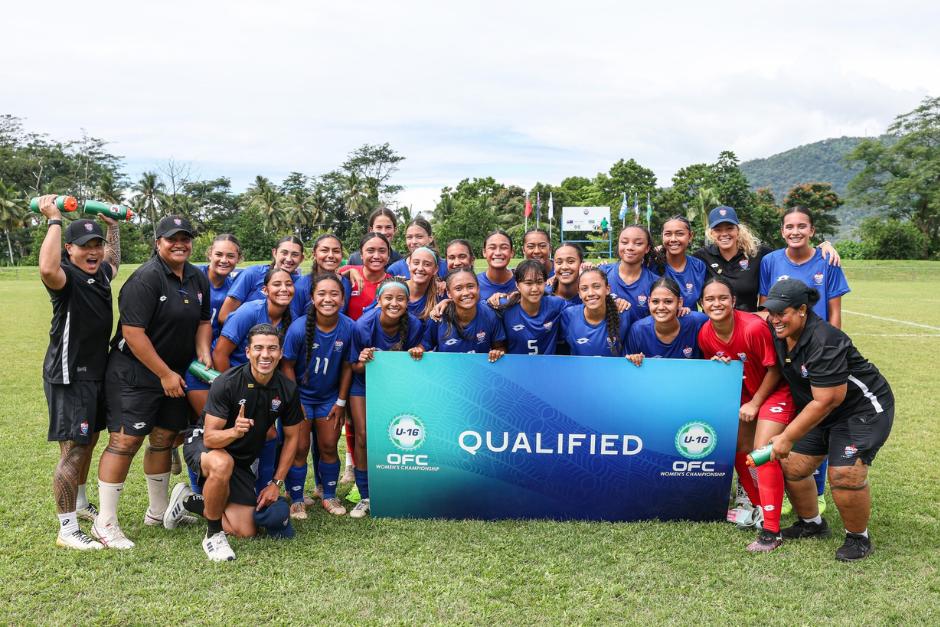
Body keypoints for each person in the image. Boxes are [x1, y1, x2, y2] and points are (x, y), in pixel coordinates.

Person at [93, 215, 212, 549]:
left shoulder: (196, 277)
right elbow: (132, 334)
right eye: (172, 238)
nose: (180, 244)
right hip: (135, 372)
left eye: (185, 238)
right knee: (125, 441)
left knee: (163, 438)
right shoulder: (145, 279)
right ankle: (106, 522)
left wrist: (203, 352)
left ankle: (158, 512)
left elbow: (204, 321)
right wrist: (163, 374)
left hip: (174, 374)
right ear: (157, 242)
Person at [762, 280, 894, 562]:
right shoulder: (780, 331)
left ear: (801, 310)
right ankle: (812, 524)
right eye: (770, 312)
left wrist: (787, 436)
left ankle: (859, 538)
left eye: (780, 312)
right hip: (822, 408)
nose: (774, 319)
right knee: (793, 466)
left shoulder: (825, 340)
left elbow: (828, 400)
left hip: (862, 410)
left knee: (844, 474)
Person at [163, 323, 303, 561]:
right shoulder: (227, 383)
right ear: (248, 352)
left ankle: (191, 501)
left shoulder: (287, 389)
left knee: (246, 531)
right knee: (222, 464)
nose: (265, 355)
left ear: (280, 353)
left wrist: (276, 483)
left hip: (241, 458)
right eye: (258, 348)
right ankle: (213, 535)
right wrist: (235, 432)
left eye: (272, 349)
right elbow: (210, 437)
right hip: (206, 444)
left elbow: (292, 438)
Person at [38, 196, 120, 550]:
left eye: (96, 245)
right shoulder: (65, 278)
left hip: (95, 374)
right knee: (73, 449)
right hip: (69, 375)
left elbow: (114, 263)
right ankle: (67, 529)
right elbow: (45, 269)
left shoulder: (100, 271)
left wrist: (113, 229)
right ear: (68, 249)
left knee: (87, 441)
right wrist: (54, 220)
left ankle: (81, 503)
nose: (94, 251)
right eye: (85, 246)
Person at [697, 276, 795, 552]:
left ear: (733, 301)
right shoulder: (705, 333)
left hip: (773, 392)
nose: (716, 303)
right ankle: (762, 506)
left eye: (722, 298)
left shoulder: (753, 327)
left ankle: (771, 531)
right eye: (710, 299)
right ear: (702, 304)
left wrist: (755, 404)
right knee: (741, 449)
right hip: (745, 396)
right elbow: (717, 368)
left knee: (762, 451)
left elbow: (775, 370)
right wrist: (719, 366)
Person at [347, 279, 425, 518]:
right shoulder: (363, 325)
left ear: (408, 301)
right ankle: (365, 495)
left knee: (400, 435)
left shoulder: (413, 324)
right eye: (388, 298)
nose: (394, 303)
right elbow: (354, 366)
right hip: (364, 385)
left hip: (396, 386)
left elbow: (417, 358)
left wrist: (417, 351)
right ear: (378, 301)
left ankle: (399, 488)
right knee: (363, 436)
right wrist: (365, 359)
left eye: (400, 298)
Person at [282, 273, 354, 517]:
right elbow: (287, 365)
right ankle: (296, 498)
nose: (328, 299)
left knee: (328, 445)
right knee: (300, 448)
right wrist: (294, 402)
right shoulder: (298, 328)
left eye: (334, 293)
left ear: (342, 299)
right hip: (301, 398)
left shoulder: (348, 327)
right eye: (321, 293)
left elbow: (347, 366)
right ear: (312, 298)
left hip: (329, 398)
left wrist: (341, 402)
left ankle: (329, 496)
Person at [177, 234, 242, 482]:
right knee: (199, 425)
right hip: (190, 362)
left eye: (230, 256)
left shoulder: (236, 286)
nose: (224, 260)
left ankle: (215, 482)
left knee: (215, 424)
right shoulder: (192, 277)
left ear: (238, 258)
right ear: (209, 255)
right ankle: (196, 486)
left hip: (216, 362)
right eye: (219, 254)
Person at [693, 205, 841, 312]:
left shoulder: (758, 253)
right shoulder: (701, 257)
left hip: (750, 329)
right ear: (711, 233)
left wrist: (823, 246)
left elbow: (791, 251)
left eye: (729, 228)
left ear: (738, 230)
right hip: (713, 327)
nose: (724, 233)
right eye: (718, 230)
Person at [759, 207, 850, 327]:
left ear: (812, 231)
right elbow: (765, 310)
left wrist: (833, 343)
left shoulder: (829, 261)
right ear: (782, 232)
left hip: (818, 339)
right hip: (780, 339)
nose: (795, 232)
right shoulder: (769, 261)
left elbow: (835, 312)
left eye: (802, 226)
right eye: (789, 227)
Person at [216, 236, 304, 325]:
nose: (289, 259)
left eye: (295, 254)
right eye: (284, 253)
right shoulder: (253, 274)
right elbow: (224, 316)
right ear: (274, 253)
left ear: (301, 258)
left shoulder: (302, 285)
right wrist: (259, 332)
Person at [420, 269, 507, 359]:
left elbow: (499, 347)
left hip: (478, 370)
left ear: (478, 288)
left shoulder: (490, 315)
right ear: (449, 293)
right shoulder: (438, 316)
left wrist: (497, 352)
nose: (466, 293)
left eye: (470, 286)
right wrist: (417, 350)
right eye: (458, 289)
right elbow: (425, 346)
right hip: (448, 370)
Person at [624, 277, 707, 363]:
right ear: (649, 302)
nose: (661, 307)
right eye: (655, 301)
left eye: (668, 301)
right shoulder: (638, 330)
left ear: (680, 303)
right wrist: (634, 359)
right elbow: (626, 364)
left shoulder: (698, 321)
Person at [560, 268, 635, 357]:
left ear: (607, 289)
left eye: (596, 287)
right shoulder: (568, 316)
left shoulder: (623, 313)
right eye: (584, 289)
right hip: (580, 370)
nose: (591, 293)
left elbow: (633, 350)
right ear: (579, 293)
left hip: (614, 370)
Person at [497, 260, 567, 355]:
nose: (534, 289)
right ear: (517, 285)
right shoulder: (504, 307)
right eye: (528, 283)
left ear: (545, 283)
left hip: (547, 367)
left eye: (539, 282)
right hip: (516, 367)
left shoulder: (557, 304)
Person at [602, 225, 660, 318]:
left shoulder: (656, 283)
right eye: (624, 242)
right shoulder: (601, 274)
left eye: (638, 243)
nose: (630, 247)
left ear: (647, 248)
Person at [653, 216, 707, 311]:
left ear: (690, 236)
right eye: (668, 234)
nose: (673, 239)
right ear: (662, 237)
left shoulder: (699, 266)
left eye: (679, 234)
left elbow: (704, 301)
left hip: (690, 322)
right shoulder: (652, 264)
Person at [342, 232, 392, 321]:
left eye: (382, 251)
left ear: (388, 256)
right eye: (370, 250)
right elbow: (323, 277)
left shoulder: (392, 284)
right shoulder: (348, 271)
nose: (376, 256)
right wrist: (347, 273)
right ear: (361, 254)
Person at [477, 230, 516, 301]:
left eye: (504, 247)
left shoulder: (522, 281)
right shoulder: (475, 283)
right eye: (492, 248)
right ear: (484, 252)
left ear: (512, 252)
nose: (498, 253)